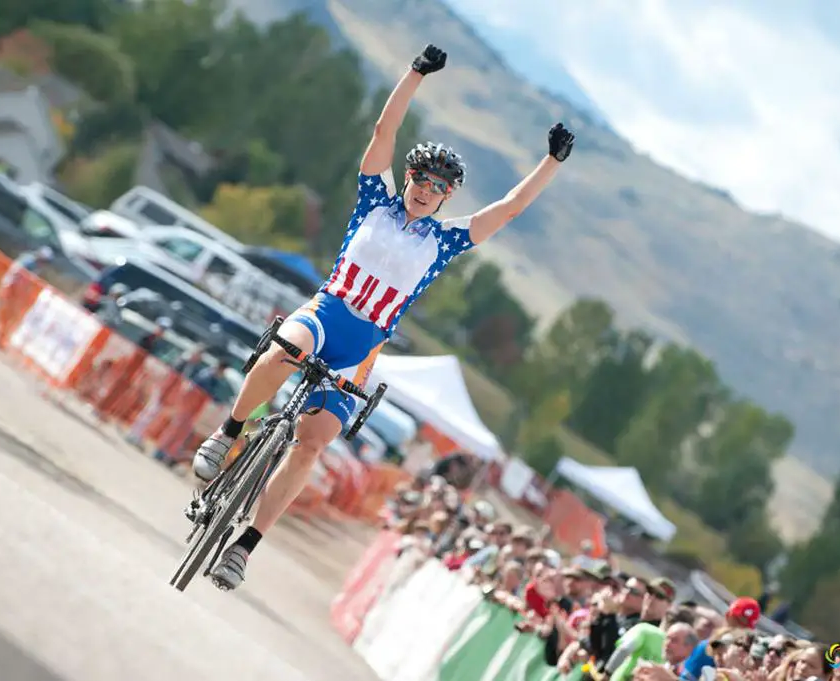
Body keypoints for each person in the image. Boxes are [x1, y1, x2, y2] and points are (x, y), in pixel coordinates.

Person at [190, 43, 576, 591]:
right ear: (410, 178)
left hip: (364, 343)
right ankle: (228, 433)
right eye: (421, 180)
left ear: (448, 198)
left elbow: (509, 208)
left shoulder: (446, 241)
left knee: (314, 443)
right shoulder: (376, 199)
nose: (427, 191)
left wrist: (551, 163)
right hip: (328, 311)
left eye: (440, 188)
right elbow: (382, 133)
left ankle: (245, 547)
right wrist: (416, 74)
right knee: (285, 349)